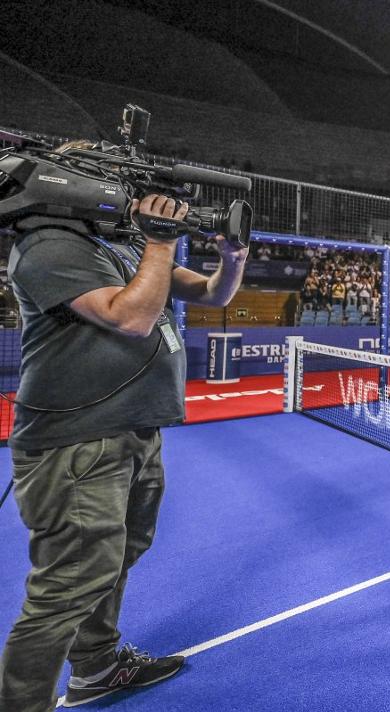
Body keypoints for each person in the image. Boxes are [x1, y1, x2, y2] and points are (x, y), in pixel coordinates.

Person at [1, 180, 249, 711]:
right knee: (67, 584)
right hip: (77, 444)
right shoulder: (49, 244)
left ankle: (97, 667)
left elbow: (214, 294)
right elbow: (131, 318)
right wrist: (160, 242)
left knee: (112, 561)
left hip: (133, 432)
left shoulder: (117, 242)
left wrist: (232, 258)